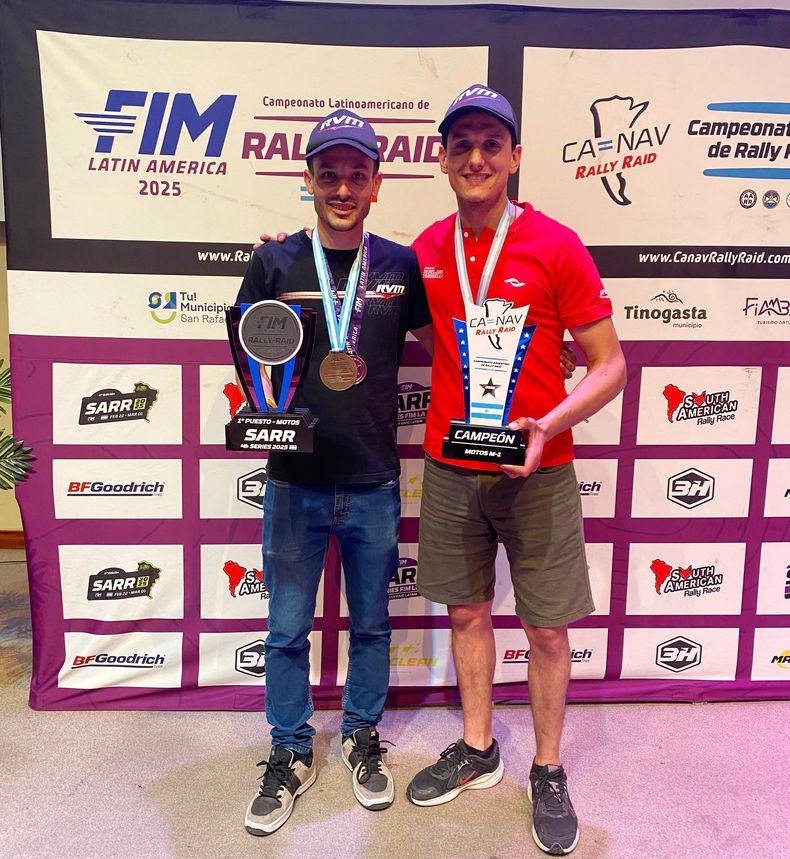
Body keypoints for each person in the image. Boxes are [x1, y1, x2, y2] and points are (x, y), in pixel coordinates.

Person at [404, 85, 626, 857]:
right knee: (466, 612)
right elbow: (357, 299)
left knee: (547, 626)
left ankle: (549, 764)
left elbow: (610, 365)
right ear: (442, 157)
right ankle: (478, 744)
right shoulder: (426, 248)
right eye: (460, 144)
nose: (475, 158)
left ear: (515, 158)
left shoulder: (557, 244)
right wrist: (285, 253)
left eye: (490, 145)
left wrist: (551, 422)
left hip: (541, 467)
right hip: (450, 465)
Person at [236, 109, 433, 836]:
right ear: (309, 180)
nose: (343, 186)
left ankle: (359, 734)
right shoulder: (274, 262)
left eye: (357, 173)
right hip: (293, 480)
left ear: (377, 183)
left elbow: (451, 346)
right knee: (286, 628)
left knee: (373, 626)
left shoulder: (402, 266)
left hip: (375, 479)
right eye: (329, 173)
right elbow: (251, 360)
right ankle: (290, 749)